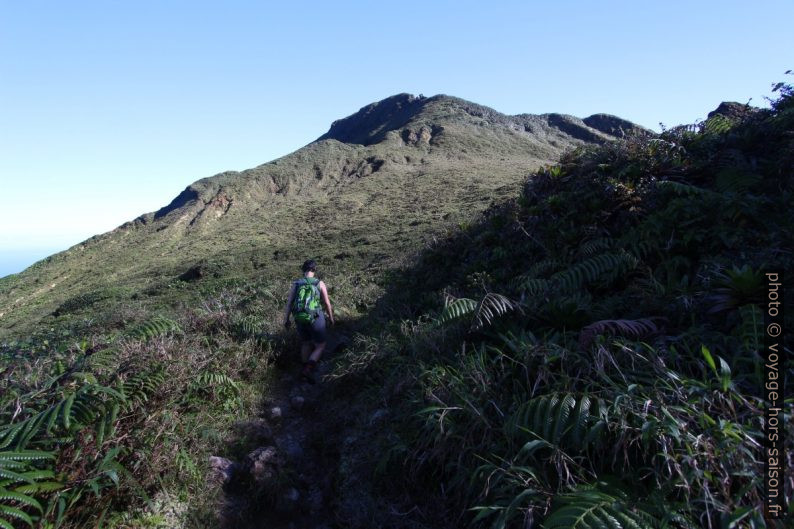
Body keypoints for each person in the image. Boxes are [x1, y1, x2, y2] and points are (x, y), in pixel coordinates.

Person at [283, 259, 334, 383]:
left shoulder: (297, 283)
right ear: (314, 270)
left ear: (303, 270)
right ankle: (308, 369)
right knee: (320, 345)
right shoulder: (319, 283)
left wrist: (287, 319)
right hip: (316, 317)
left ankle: (303, 368)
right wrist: (331, 318)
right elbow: (327, 303)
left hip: (299, 317)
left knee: (306, 343)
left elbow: (289, 303)